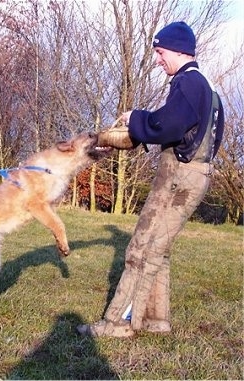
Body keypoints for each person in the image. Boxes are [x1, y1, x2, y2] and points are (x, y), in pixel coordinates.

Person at [77, 21, 225, 337]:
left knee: (141, 248)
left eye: (160, 52)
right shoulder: (209, 90)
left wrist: (138, 119)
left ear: (177, 50)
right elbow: (208, 134)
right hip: (198, 175)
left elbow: (167, 126)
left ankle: (119, 322)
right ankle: (157, 319)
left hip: (177, 177)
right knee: (160, 249)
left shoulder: (186, 83)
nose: (158, 60)